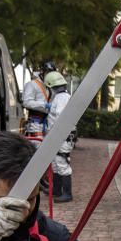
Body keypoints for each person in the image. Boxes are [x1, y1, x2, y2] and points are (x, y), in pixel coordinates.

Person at [43, 70, 75, 203]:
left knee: (62, 164)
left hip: (61, 136)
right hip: (58, 135)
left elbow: (61, 118)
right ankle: (56, 189)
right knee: (55, 163)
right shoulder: (61, 97)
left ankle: (67, 194)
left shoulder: (62, 98)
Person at [22, 59, 56, 138]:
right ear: (42, 71)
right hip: (34, 124)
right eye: (48, 73)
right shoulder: (32, 84)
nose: (50, 76)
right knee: (37, 147)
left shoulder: (49, 87)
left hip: (47, 123)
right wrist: (44, 105)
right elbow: (26, 102)